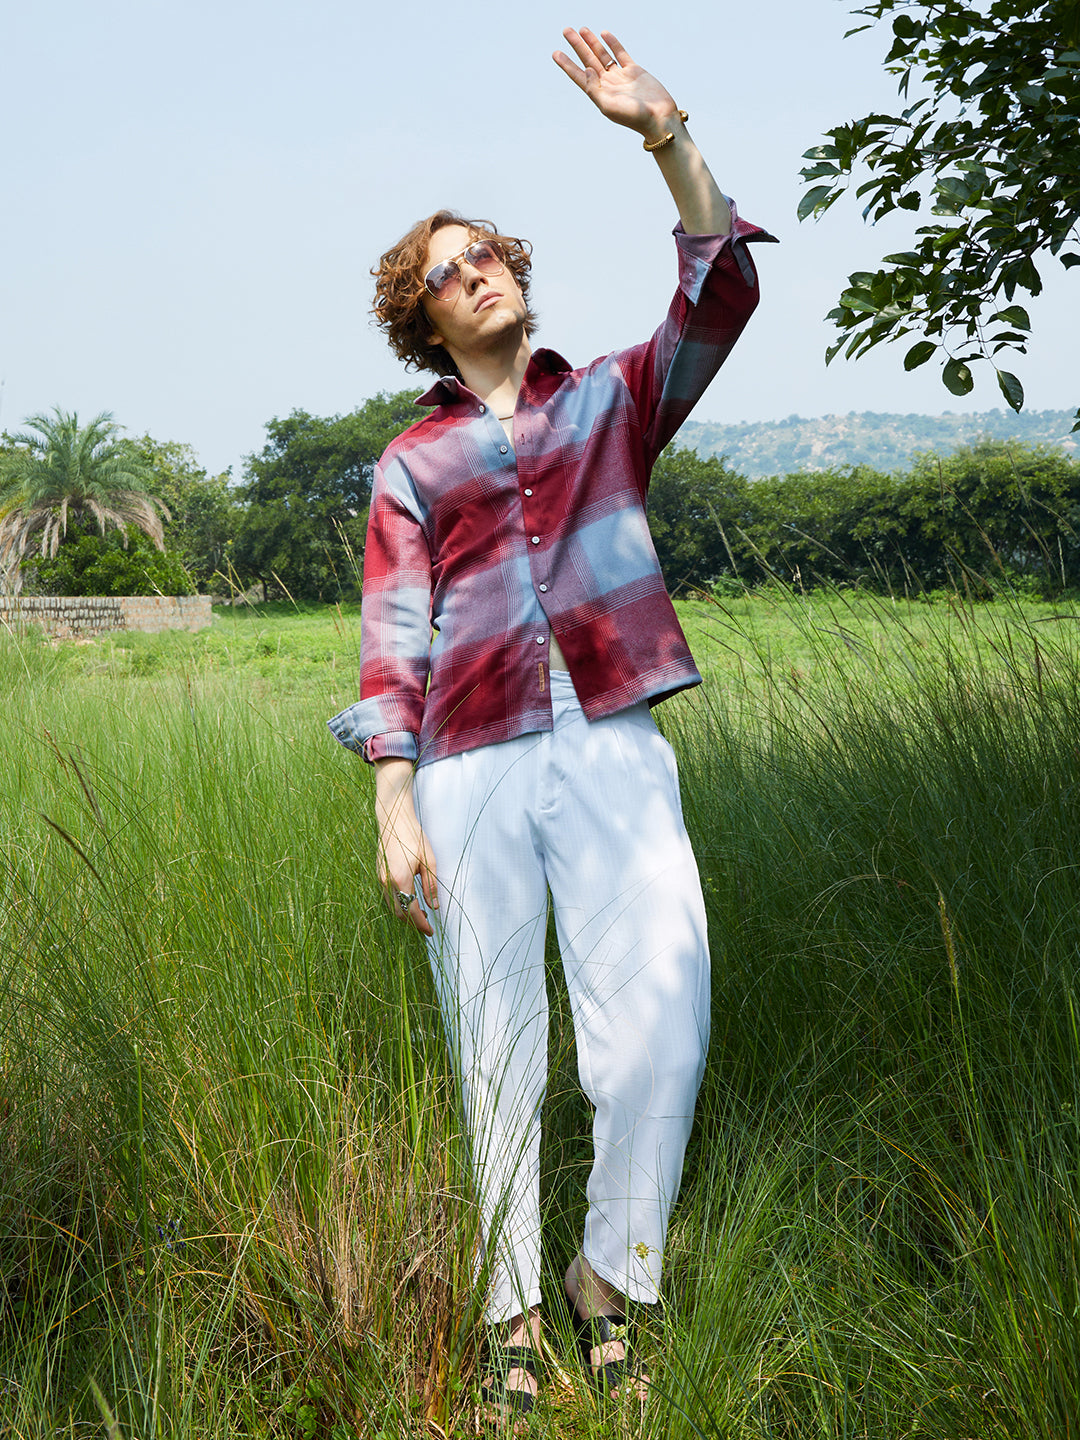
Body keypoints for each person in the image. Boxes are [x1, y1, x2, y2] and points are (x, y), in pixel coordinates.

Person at [328, 24, 773, 1424]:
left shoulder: (611, 408)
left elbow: (719, 296)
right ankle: (515, 1306)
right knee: (496, 1038)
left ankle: (607, 1279)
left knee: (663, 1023)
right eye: (452, 271)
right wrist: (391, 799)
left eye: (493, 253)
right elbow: (394, 638)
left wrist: (665, 132)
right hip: (464, 766)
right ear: (428, 321)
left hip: (614, 743)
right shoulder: (414, 460)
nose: (484, 273)